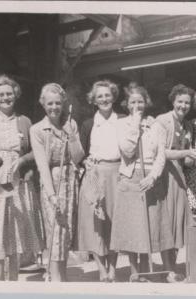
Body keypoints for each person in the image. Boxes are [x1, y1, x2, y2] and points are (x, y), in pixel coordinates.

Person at [0, 75, 40, 280]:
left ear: (15, 95)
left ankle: (13, 281)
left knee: (14, 232)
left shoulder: (24, 121)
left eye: (9, 94)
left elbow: (34, 152)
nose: (6, 97)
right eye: (1, 94)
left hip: (16, 183)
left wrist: (22, 162)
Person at [110, 83, 174, 282]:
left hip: (150, 179)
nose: (137, 105)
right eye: (132, 102)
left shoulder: (157, 126)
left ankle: (158, 269)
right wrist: (135, 123)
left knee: (154, 225)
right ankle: (135, 272)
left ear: (146, 102)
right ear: (126, 104)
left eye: (140, 101)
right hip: (129, 178)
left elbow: (161, 156)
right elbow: (127, 150)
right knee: (133, 228)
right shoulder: (121, 124)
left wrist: (153, 176)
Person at [30, 83, 84, 281]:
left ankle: (62, 276)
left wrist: (71, 136)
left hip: (71, 181)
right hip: (52, 184)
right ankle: (56, 280)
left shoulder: (71, 125)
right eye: (50, 103)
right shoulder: (37, 130)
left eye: (58, 103)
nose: (54, 107)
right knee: (56, 232)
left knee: (66, 234)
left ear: (64, 104)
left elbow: (78, 157)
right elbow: (42, 164)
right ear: (43, 104)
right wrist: (52, 195)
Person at [156, 84, 196, 282]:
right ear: (173, 101)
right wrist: (187, 153)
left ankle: (173, 268)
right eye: (180, 101)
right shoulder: (163, 121)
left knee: (178, 223)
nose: (183, 106)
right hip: (163, 177)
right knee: (167, 222)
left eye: (187, 103)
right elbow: (162, 152)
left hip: (178, 177)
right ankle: (168, 270)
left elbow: (185, 158)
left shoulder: (186, 125)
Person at [77, 80, 124, 282]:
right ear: (94, 101)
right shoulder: (88, 124)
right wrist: (85, 163)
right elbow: (80, 154)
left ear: (113, 97)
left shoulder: (123, 119)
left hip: (118, 174)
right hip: (94, 175)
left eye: (107, 95)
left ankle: (113, 268)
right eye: (99, 96)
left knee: (115, 223)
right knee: (94, 223)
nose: (104, 99)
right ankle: (101, 269)